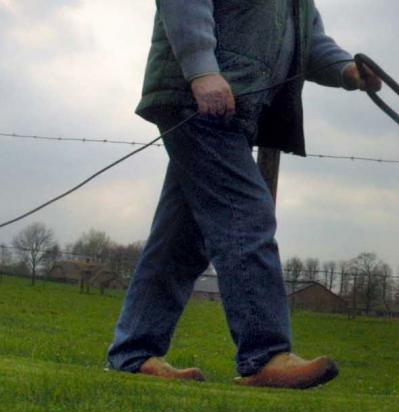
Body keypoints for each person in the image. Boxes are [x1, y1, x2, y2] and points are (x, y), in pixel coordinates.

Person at [106, 0, 380, 389]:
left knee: (180, 240)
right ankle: (264, 355)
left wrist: (347, 70)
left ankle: (133, 355)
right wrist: (202, 70)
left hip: (232, 107)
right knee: (245, 213)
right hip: (198, 99)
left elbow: (308, 43)